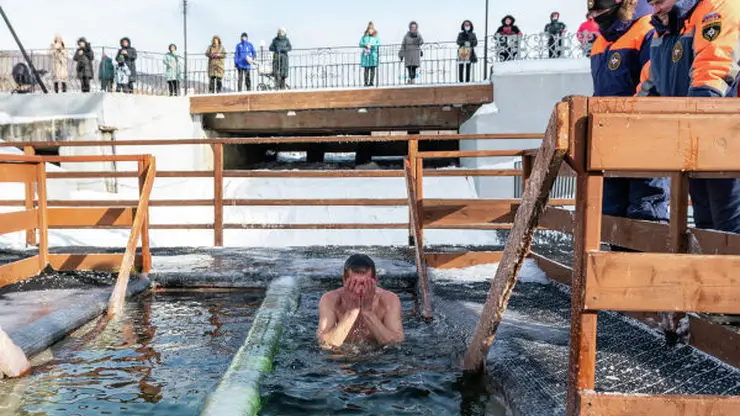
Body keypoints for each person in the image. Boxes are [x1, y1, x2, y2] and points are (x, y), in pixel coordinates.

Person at [639, 0, 740, 236]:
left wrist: (695, 116)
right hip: (695, 141)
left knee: (730, 223)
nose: (655, 10)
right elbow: (649, 82)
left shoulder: (717, 8)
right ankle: (711, 272)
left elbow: (715, 64)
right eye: (652, 4)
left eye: (660, 2)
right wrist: (630, 117)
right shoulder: (666, 32)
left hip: (724, 134)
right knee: (706, 223)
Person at [589, 0, 670, 250]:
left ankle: (646, 275)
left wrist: (632, 122)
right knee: (613, 211)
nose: (595, 16)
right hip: (612, 139)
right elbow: (603, 91)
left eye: (600, 10)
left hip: (643, 134)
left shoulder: (647, 30)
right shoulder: (601, 42)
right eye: (593, 11)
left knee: (646, 207)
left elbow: (652, 83)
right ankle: (617, 274)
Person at [317, 254, 404, 348]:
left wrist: (368, 313)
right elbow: (325, 344)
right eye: (354, 283)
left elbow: (396, 343)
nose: (359, 289)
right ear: (344, 280)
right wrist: (351, 312)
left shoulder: (389, 300)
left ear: (375, 280)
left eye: (364, 283)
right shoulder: (330, 300)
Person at [359, 22, 380, 87]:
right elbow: (360, 44)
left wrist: (372, 45)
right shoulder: (364, 37)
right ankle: (365, 82)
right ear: (368, 29)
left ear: (373, 30)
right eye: (369, 29)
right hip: (366, 55)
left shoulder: (376, 37)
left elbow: (378, 44)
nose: (370, 30)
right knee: (366, 69)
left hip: (373, 55)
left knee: (372, 69)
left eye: (372, 29)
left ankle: (371, 82)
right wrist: (365, 45)